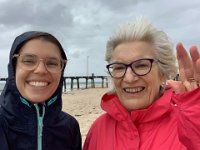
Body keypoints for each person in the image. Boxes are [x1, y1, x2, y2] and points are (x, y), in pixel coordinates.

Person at [83, 18, 200, 150]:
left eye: (142, 65)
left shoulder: (189, 125)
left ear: (162, 73)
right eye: (119, 67)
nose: (129, 78)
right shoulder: (99, 129)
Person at [0, 31, 82, 150]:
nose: (41, 70)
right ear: (13, 68)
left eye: (52, 63)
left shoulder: (70, 126)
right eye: (29, 61)